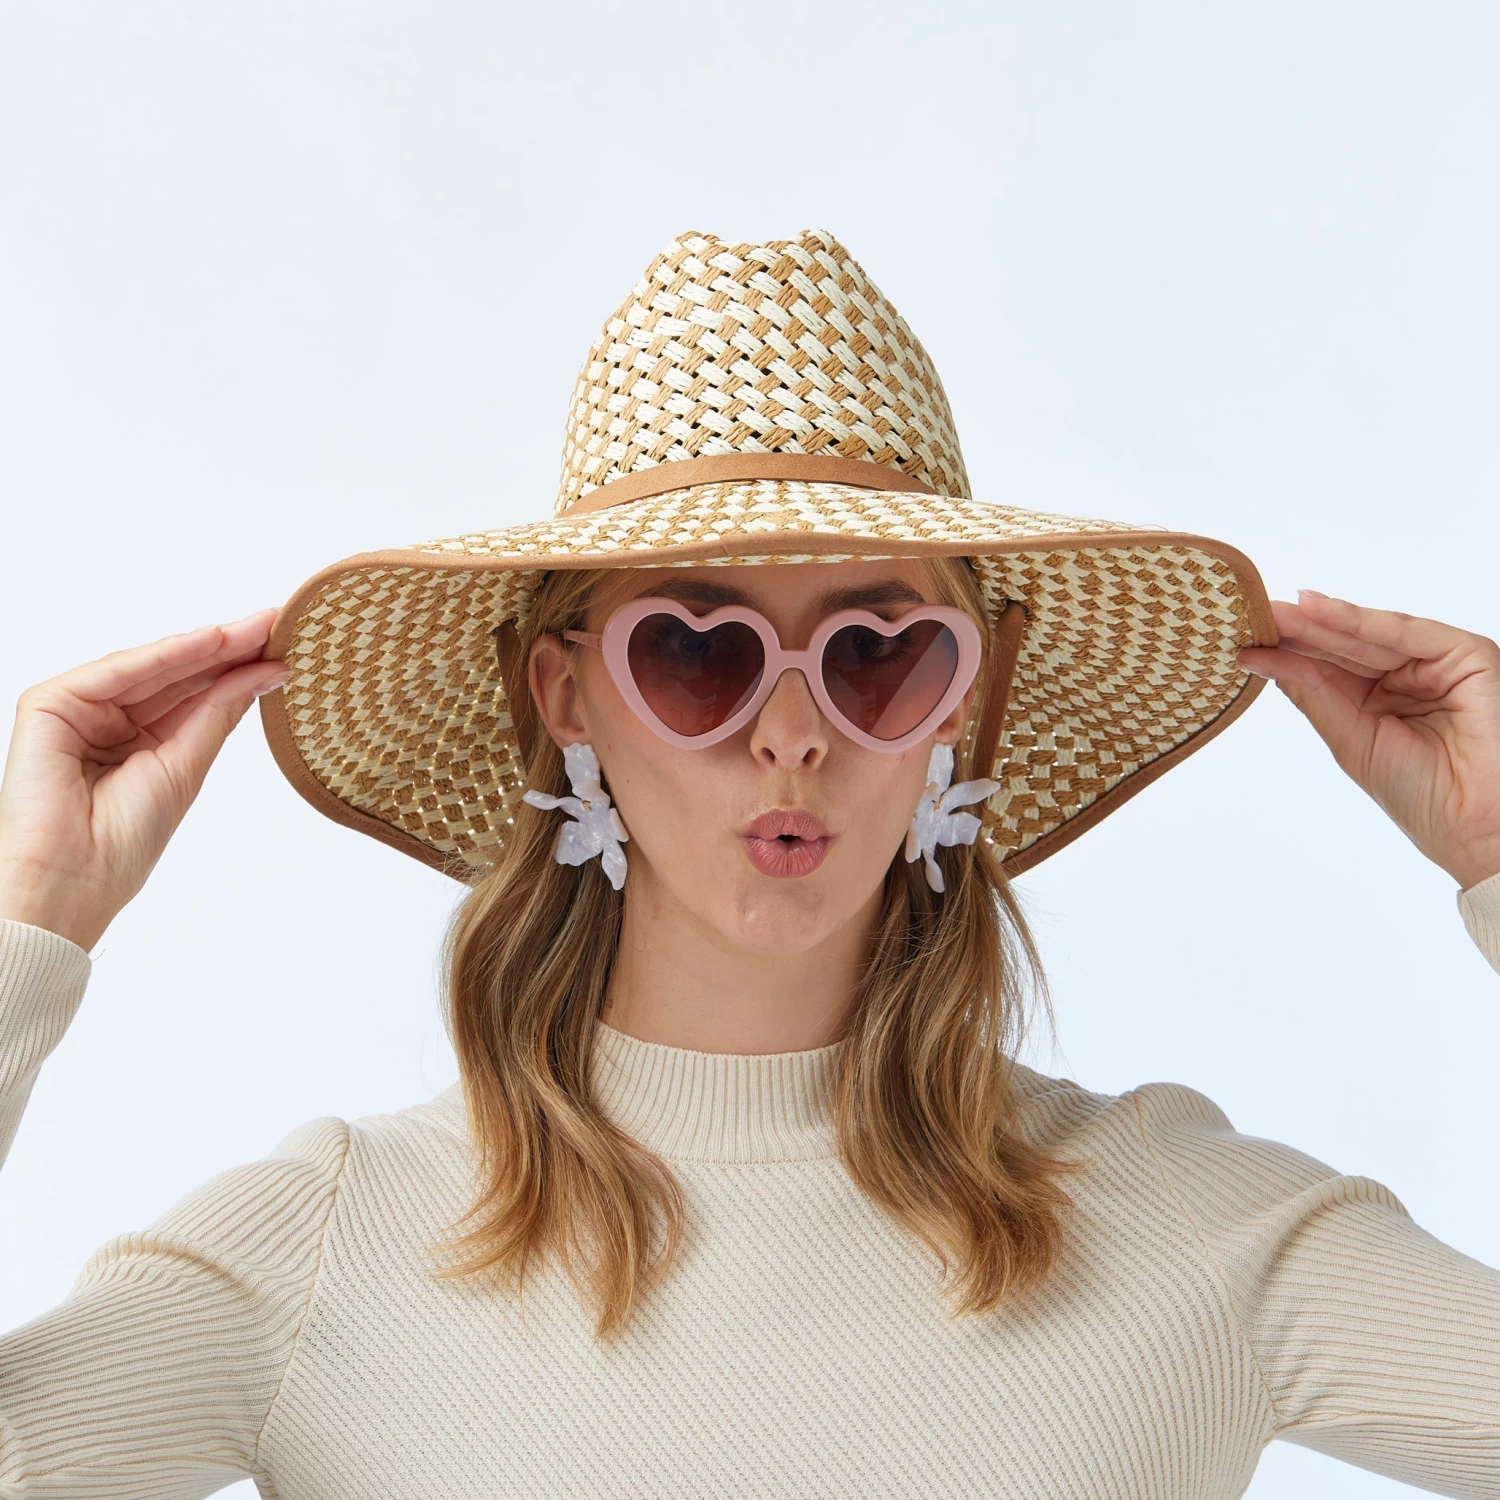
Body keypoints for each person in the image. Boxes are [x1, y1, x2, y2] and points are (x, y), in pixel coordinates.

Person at [0, 229, 1496, 1499]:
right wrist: (28, 921)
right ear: (566, 693)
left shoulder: (1189, 1231)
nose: (793, 737)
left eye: (881, 654)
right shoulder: (332, 1243)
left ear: (964, 699)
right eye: (701, 653)